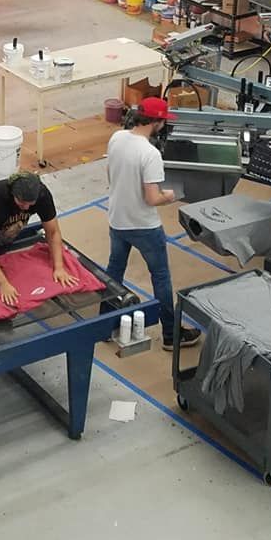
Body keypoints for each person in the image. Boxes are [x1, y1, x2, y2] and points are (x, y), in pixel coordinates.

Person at [106, 96, 201, 351]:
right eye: (163, 121)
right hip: (143, 225)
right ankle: (171, 334)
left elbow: (112, 176)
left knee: (114, 272)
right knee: (160, 277)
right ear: (156, 122)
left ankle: (103, 324)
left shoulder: (117, 138)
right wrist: (169, 196)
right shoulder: (150, 154)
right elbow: (151, 198)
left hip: (117, 218)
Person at [0, 171, 78, 305]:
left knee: (2, 262)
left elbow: (53, 232)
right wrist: (3, 284)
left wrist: (59, 267)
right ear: (12, 193)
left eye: (30, 204)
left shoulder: (42, 195)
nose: (26, 208)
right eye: (21, 202)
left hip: (2, 234)